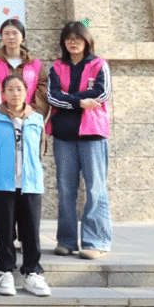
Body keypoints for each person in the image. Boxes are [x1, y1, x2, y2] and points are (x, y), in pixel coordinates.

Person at [46, 21, 112, 260]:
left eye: (77, 38)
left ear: (86, 41)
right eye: (68, 38)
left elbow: (102, 93)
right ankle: (66, 240)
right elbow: (53, 96)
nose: (73, 42)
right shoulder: (57, 67)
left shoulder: (99, 65)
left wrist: (70, 98)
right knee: (65, 189)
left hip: (92, 134)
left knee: (95, 188)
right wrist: (80, 102)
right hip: (64, 135)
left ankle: (97, 241)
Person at [0, 75, 50, 297]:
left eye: (19, 89)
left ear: (26, 92)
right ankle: (6, 271)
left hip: (31, 182)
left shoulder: (37, 118)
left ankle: (32, 272)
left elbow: (41, 149)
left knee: (31, 230)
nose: (15, 93)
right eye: (10, 89)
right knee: (5, 230)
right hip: (4, 182)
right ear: (3, 93)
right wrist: (1, 169)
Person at [0, 19, 49, 116]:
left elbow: (42, 92)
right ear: (1, 37)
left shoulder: (34, 63)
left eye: (15, 33)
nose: (11, 37)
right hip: (0, 116)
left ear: (22, 37)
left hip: (29, 116)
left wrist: (34, 114)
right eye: (6, 33)